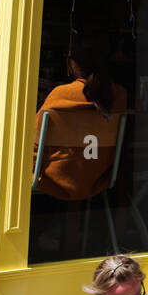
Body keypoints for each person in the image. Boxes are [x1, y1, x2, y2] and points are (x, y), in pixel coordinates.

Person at [32, 40, 128, 201]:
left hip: (52, 179)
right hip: (98, 178)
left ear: (71, 64)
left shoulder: (60, 94)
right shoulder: (119, 95)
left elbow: (34, 143)